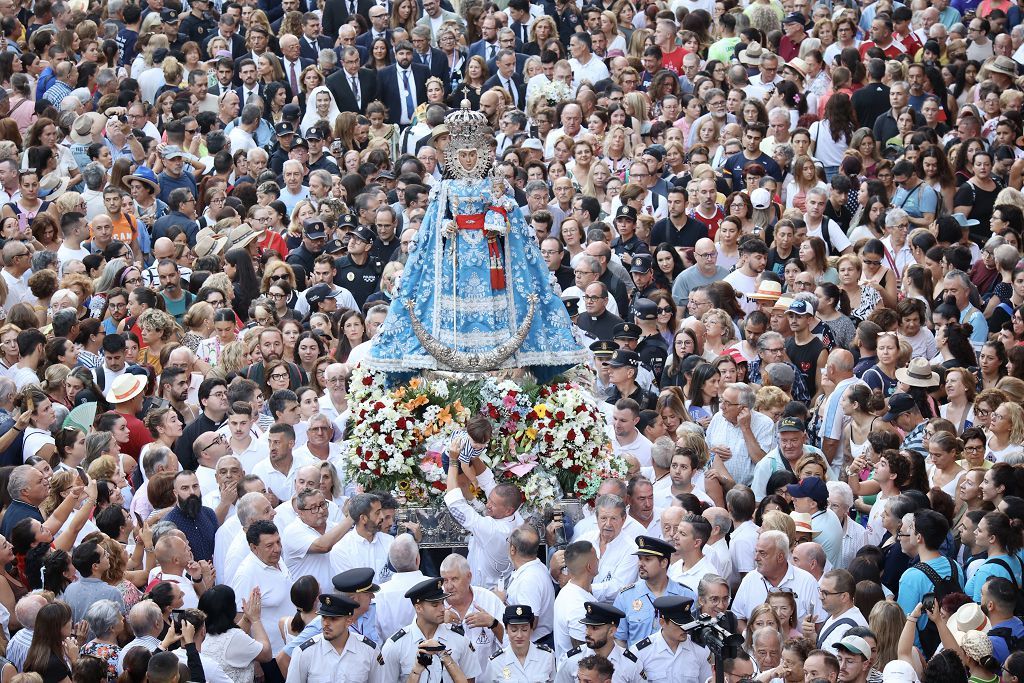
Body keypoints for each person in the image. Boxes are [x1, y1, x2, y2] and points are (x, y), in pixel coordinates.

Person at [367, 101, 586, 380]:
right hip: (455, 257)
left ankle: (502, 353)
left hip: (491, 257)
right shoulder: (445, 188)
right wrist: (446, 225)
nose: (469, 160)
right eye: (463, 154)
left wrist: (499, 218)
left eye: (473, 154)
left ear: (481, 154)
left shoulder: (495, 185)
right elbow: (432, 228)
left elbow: (513, 221)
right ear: (454, 156)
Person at [377, 577, 479, 681]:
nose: (442, 609)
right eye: (435, 605)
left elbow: (470, 679)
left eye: (442, 603)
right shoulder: (395, 645)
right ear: (418, 608)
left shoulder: (459, 638)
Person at [612, 535, 694, 646]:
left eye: (647, 559)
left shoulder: (685, 595)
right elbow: (619, 640)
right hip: (638, 662)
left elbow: (693, 637)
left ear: (664, 563)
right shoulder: (626, 596)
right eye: (640, 558)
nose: (641, 564)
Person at [284, 593, 378, 683]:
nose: (325, 624)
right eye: (324, 617)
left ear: (349, 621)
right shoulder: (304, 653)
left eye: (333, 619)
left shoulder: (369, 651)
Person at [482, 605, 556, 682]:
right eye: (514, 630)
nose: (519, 635)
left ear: (531, 629)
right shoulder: (495, 662)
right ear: (506, 630)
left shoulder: (547, 657)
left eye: (524, 629)